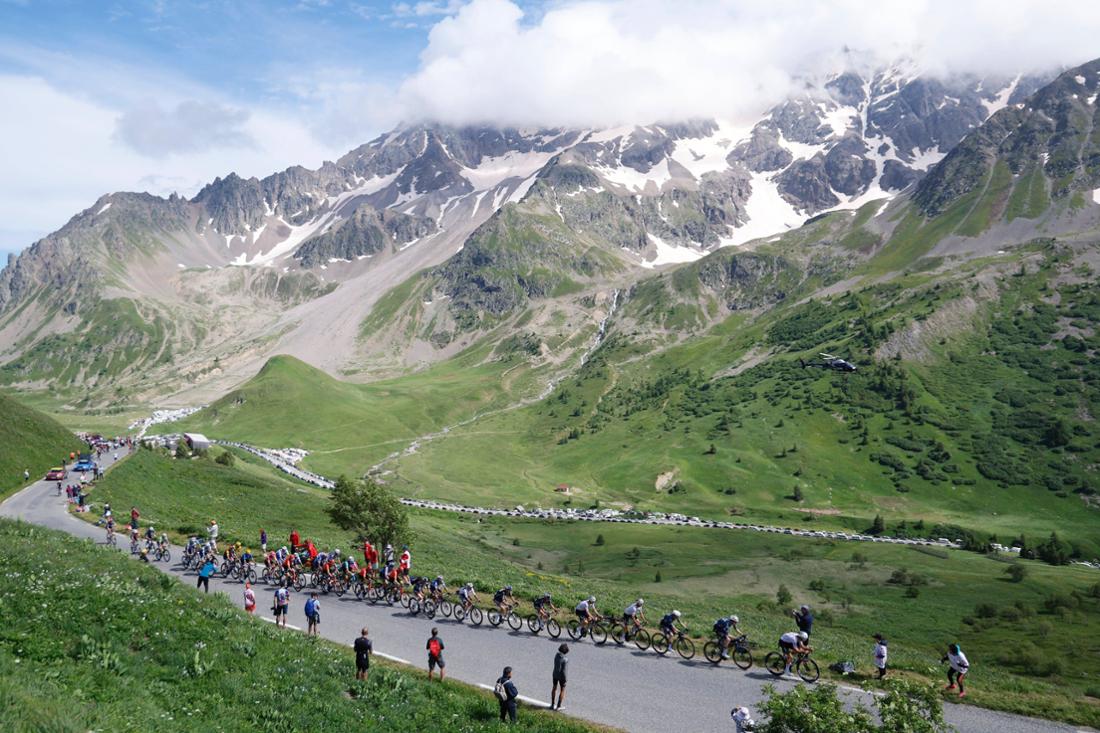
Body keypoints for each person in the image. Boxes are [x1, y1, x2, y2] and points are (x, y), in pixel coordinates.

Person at [551, 643, 568, 711]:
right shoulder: (565, 659)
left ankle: (552, 704)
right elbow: (564, 671)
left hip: (555, 674)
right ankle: (559, 705)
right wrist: (565, 679)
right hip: (561, 677)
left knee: (554, 688)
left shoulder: (556, 655)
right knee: (562, 690)